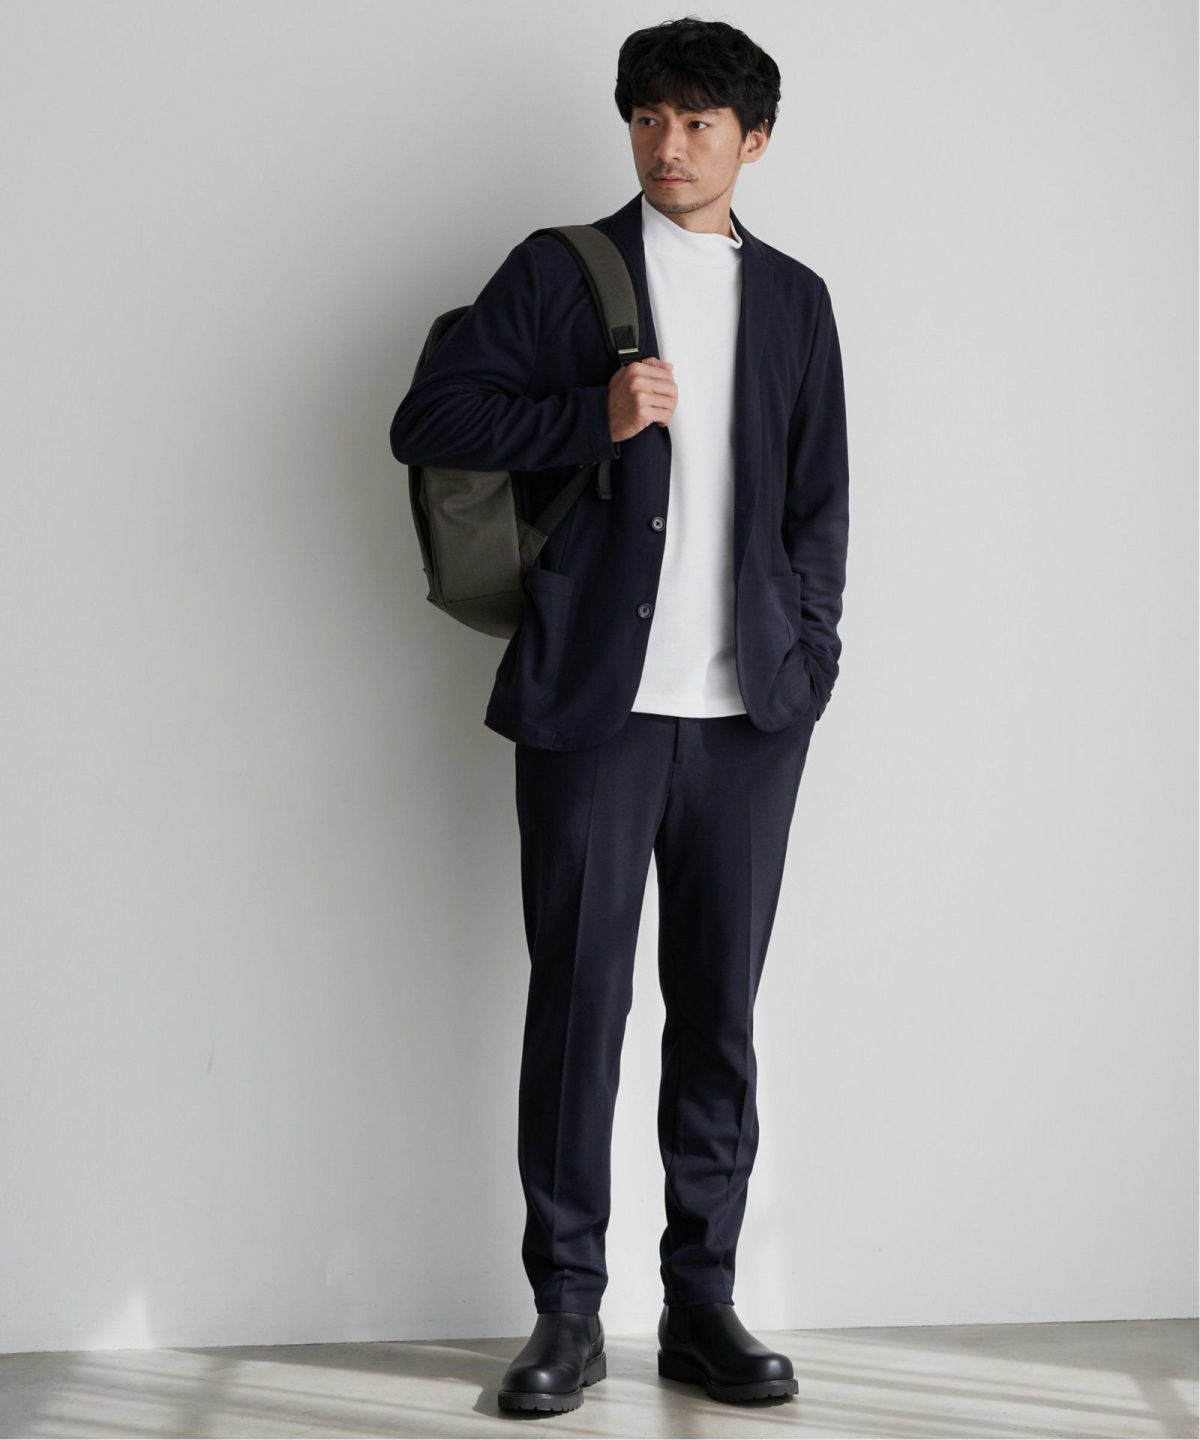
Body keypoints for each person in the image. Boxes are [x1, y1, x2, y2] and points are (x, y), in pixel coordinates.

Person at [390, 15, 849, 1413]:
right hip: (596, 708)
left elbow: (820, 501)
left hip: (749, 719)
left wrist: (809, 661)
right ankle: (567, 1315)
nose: (668, 145)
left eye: (699, 122)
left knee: (718, 1015)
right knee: (581, 1007)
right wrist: (589, 416)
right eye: (649, 117)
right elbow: (429, 419)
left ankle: (702, 1305)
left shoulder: (795, 301)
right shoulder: (561, 271)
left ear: (752, 140)